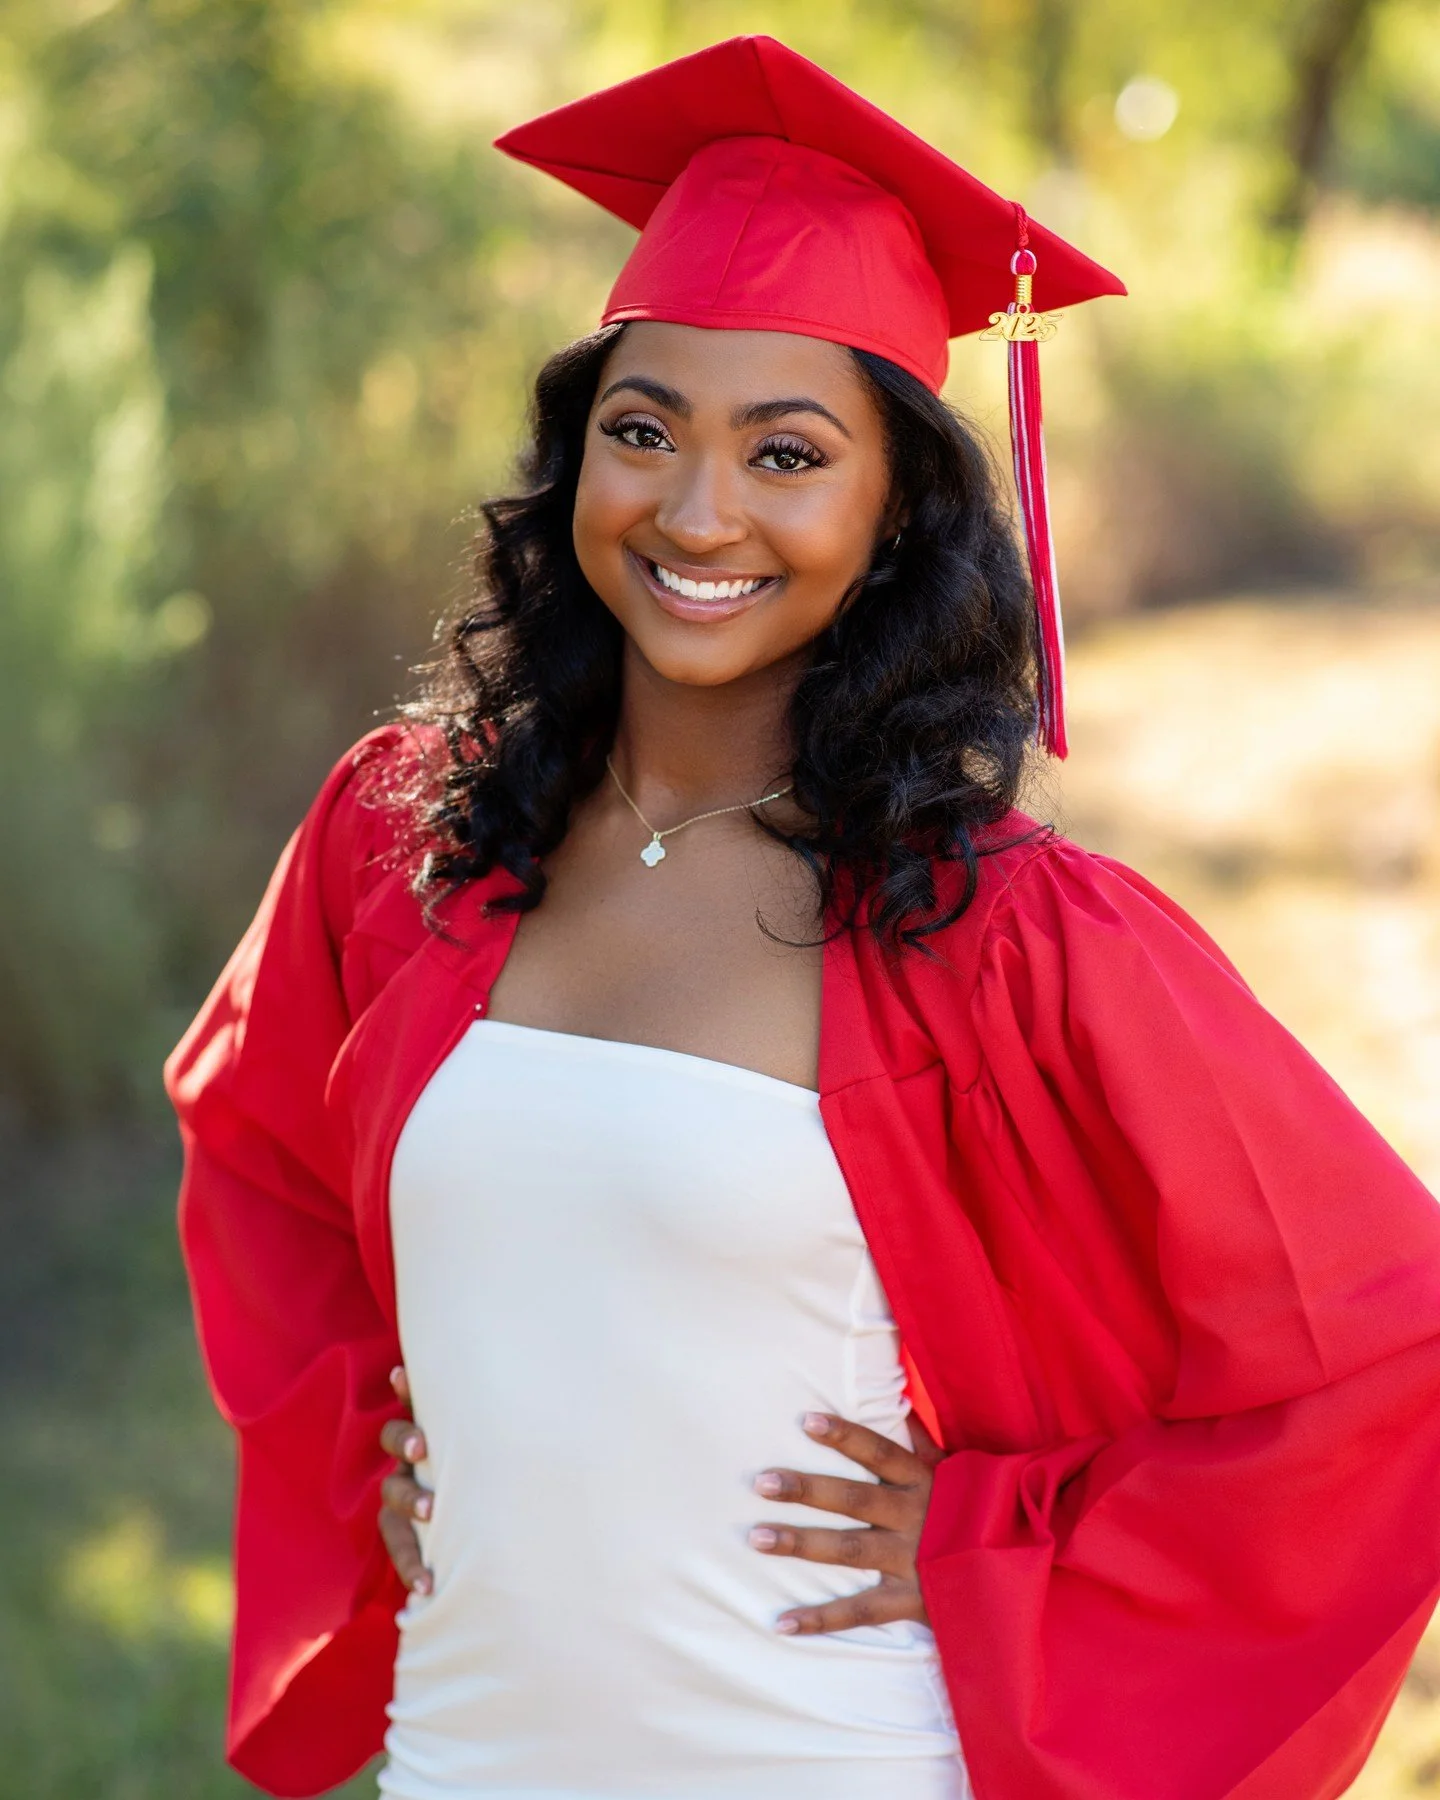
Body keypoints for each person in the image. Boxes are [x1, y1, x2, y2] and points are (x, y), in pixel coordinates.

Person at [167, 35, 1440, 1800]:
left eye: (787, 454)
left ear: (895, 510)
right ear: (575, 458)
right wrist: (363, 1444)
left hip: (827, 1756)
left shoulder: (999, 939)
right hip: (463, 1750)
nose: (698, 512)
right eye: (643, 431)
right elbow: (262, 1155)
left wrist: (1000, 1529)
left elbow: (1379, 1339)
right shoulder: (405, 848)